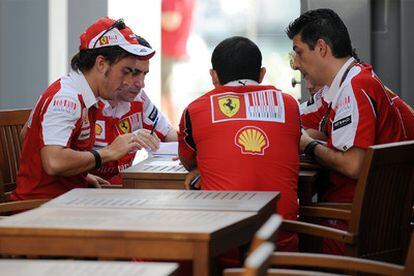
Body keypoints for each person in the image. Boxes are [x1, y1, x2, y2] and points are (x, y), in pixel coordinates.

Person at [286, 8, 407, 254]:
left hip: (353, 226)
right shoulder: (345, 83)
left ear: (321, 48)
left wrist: (307, 144)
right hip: (364, 216)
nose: (295, 64)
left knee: (276, 233)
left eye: (298, 52)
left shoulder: (356, 86)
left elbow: (353, 165)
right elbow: (293, 118)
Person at [178, 36, 301, 252]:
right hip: (281, 244)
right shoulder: (290, 105)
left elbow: (188, 160)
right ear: (262, 74)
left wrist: (201, 168)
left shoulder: (195, 109)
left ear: (213, 75)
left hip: (224, 247)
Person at [12, 17, 155, 200]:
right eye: (125, 71)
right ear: (101, 64)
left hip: (67, 203)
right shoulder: (67, 98)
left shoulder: (81, 94)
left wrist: (81, 173)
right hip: (42, 212)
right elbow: (54, 161)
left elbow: (28, 135)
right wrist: (108, 152)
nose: (128, 82)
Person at [92, 35, 178, 185]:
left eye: (144, 74)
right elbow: (59, 160)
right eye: (133, 73)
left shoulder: (139, 98)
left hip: (122, 192)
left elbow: (169, 134)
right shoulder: (85, 100)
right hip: (82, 193)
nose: (141, 84)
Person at [161, 0, 195, 126]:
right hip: (174, 49)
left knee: (166, 94)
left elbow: (171, 20)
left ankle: (176, 131)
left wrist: (148, 16)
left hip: (167, 50)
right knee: (168, 94)